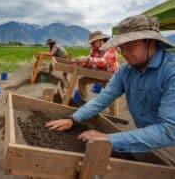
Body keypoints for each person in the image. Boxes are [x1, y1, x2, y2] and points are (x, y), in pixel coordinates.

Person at [45, 14, 175, 153]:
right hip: (146, 138)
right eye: (121, 47)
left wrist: (109, 139)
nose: (124, 52)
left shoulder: (170, 71)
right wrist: (73, 119)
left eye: (130, 46)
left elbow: (169, 130)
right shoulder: (126, 71)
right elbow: (102, 99)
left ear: (151, 42)